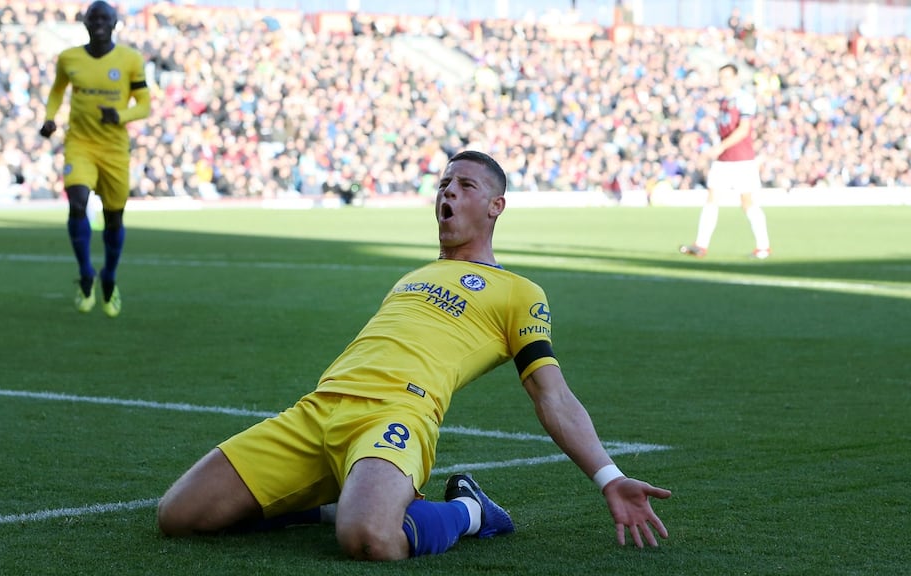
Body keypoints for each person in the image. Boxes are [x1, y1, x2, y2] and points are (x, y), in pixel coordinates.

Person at [157, 151, 671, 561]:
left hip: (396, 415)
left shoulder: (519, 293)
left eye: (466, 185)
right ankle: (335, 501)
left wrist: (609, 476)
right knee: (178, 516)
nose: (449, 191)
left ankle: (470, 510)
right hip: (317, 410)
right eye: (445, 184)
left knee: (369, 538)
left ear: (496, 206)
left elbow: (550, 393)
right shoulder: (412, 275)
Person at [40, 0, 151, 317]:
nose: (99, 22)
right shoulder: (69, 58)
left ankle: (110, 276)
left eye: (105, 18)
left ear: (115, 23)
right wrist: (50, 118)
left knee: (114, 217)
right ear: (85, 23)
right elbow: (57, 91)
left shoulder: (130, 59)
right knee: (77, 202)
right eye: (94, 18)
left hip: (114, 148)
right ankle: (86, 273)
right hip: (80, 144)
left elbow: (144, 104)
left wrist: (119, 115)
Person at [680, 63, 771, 260]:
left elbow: (743, 130)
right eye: (721, 77)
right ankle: (700, 245)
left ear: (736, 78)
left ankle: (763, 247)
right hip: (724, 160)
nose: (723, 81)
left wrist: (721, 147)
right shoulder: (723, 102)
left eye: (727, 77)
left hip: (741, 160)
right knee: (712, 198)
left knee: (747, 202)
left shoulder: (744, 100)